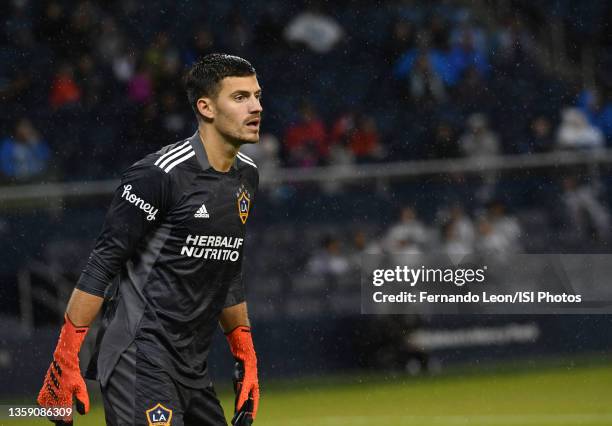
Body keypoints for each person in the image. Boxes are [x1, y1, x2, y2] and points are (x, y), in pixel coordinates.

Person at [37, 54, 262, 426]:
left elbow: (227, 267)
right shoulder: (158, 175)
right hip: (138, 357)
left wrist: (245, 353)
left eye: (256, 96)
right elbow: (102, 264)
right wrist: (66, 356)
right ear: (205, 107)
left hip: (192, 365)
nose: (256, 107)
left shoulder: (246, 178)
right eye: (239, 97)